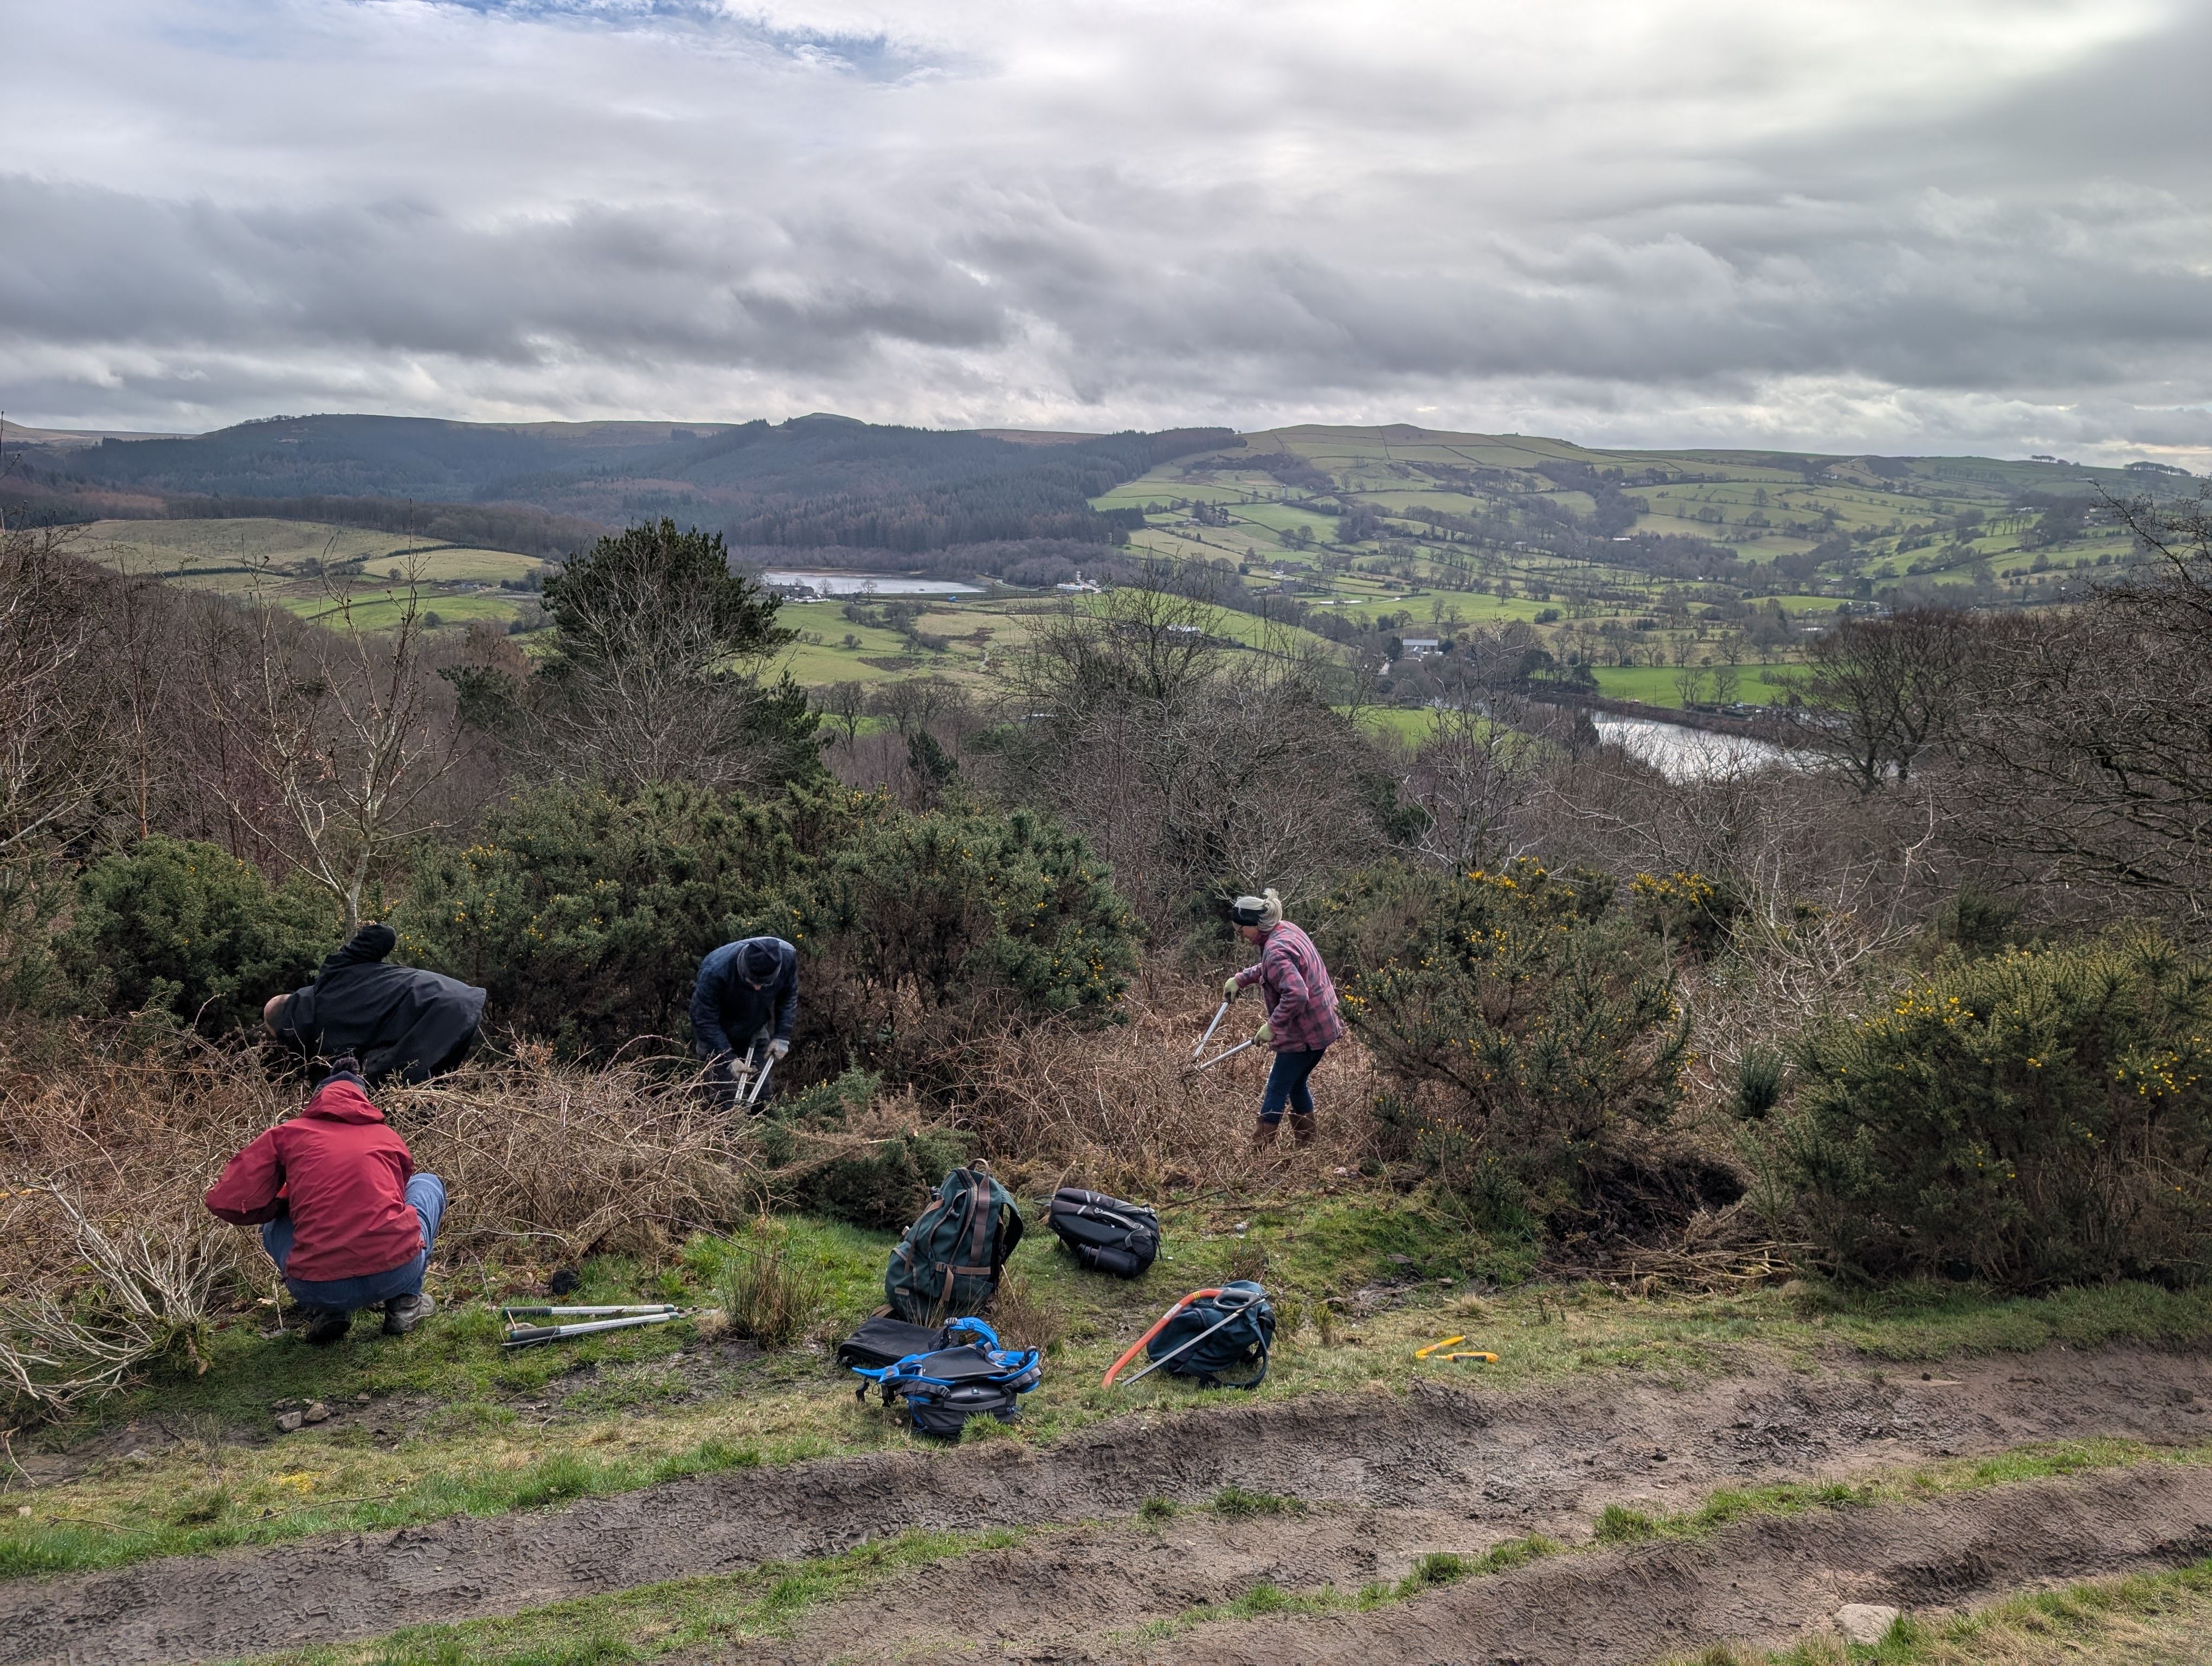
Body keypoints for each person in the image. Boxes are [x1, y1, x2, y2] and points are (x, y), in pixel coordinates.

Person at [204, 1058, 445, 1344]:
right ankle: (405, 1304)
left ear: (317, 1100)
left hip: (316, 1286)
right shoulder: (388, 1137)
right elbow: (397, 1193)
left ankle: (329, 1311)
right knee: (427, 1184)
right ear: (364, 1099)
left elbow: (229, 1200)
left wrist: (282, 1206)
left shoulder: (287, 1134)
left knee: (273, 1225)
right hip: (396, 1272)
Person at [265, 922, 486, 1088]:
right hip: (461, 999)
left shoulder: (322, 1048)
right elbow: (385, 935)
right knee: (430, 1087)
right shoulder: (335, 971)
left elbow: (336, 1085)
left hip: (432, 1013)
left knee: (382, 1084)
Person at [1221, 888, 1342, 1150]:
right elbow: (1274, 967)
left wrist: (1272, 1027)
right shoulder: (1285, 929)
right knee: (1296, 1083)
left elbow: (1297, 994)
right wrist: (1241, 979)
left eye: (1241, 929)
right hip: (1323, 1024)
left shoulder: (1275, 949)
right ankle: (1306, 1147)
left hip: (1307, 1033)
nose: (1239, 934)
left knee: (1277, 1086)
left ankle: (1258, 1153)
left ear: (1256, 924)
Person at [691, 935, 799, 1104]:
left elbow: (788, 995)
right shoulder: (715, 969)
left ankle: (762, 1129)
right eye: (752, 981)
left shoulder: (787, 956)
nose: (757, 988)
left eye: (764, 984)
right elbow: (704, 1018)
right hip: (717, 1034)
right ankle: (723, 1130)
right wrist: (727, 1058)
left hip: (754, 1031)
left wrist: (782, 1036)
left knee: (761, 1098)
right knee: (724, 1100)